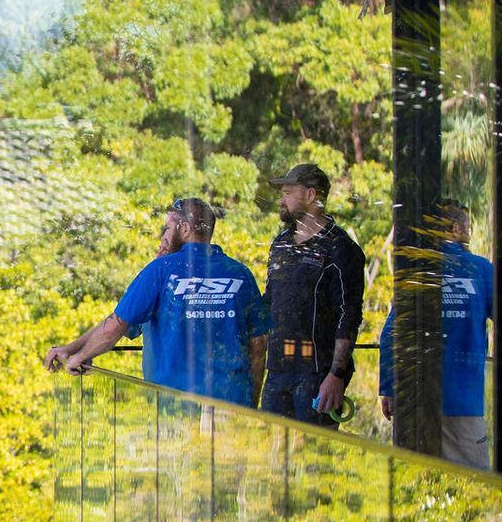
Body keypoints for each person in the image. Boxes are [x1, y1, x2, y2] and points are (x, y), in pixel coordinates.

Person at [44, 198, 269, 408]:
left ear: (185, 229)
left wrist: (78, 358)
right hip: (232, 406)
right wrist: (251, 405)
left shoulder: (161, 271)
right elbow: (259, 344)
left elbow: (116, 325)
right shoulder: (240, 274)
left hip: (177, 407)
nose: (162, 236)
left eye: (167, 228)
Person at [379, 200, 494, 468]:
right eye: (467, 228)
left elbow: (390, 334)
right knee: (471, 491)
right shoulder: (480, 269)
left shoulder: (417, 270)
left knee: (415, 487)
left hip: (416, 401)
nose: (470, 234)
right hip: (464, 403)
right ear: (454, 229)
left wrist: (389, 387)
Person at [262, 162, 366, 427]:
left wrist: (337, 374)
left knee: (313, 457)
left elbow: (348, 316)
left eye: (288, 192)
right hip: (276, 371)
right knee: (271, 456)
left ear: (311, 195)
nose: (281, 199)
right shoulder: (281, 243)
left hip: (316, 374)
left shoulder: (340, 247)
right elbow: (269, 301)